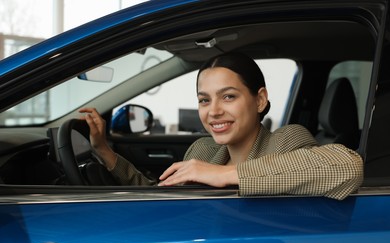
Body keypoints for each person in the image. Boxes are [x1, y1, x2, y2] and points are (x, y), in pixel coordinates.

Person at [79, 52, 363, 200]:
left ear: (260, 100)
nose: (214, 111)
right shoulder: (202, 150)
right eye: (204, 100)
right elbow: (159, 196)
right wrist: (104, 151)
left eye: (228, 96)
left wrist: (225, 175)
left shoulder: (287, 139)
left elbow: (347, 167)